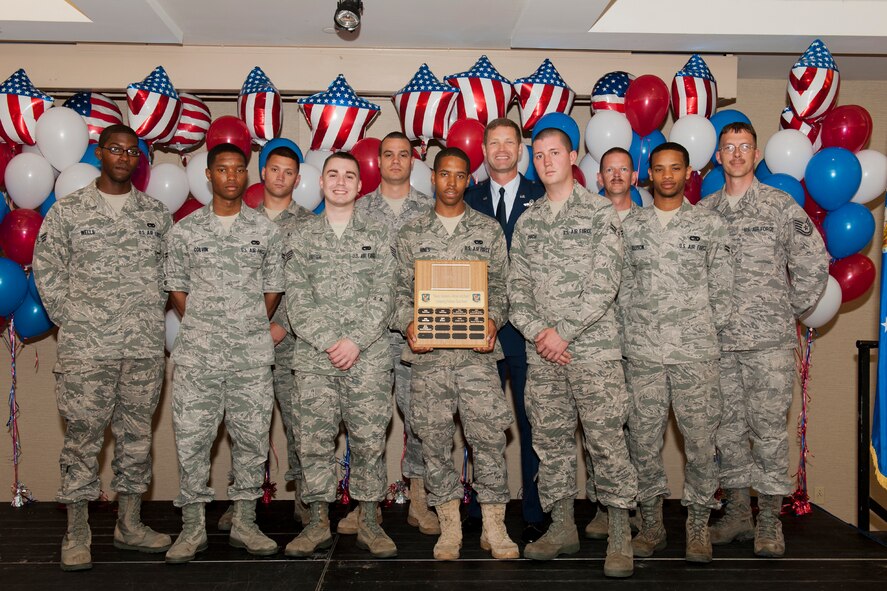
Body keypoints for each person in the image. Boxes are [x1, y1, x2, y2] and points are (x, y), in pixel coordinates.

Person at [33, 124, 173, 571]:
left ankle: (129, 524)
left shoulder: (156, 215)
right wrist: (74, 320)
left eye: (132, 151)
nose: (124, 156)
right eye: (115, 149)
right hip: (87, 351)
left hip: (142, 350)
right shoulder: (68, 212)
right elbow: (47, 271)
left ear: (139, 159)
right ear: (99, 153)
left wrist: (148, 315)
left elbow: (173, 277)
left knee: (136, 439)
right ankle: (76, 533)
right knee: (83, 440)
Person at [508, 127, 637, 578]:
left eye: (554, 153)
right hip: (543, 354)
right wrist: (541, 332)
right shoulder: (528, 221)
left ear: (573, 156)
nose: (546, 161)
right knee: (550, 443)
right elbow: (515, 290)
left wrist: (562, 332)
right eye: (538, 155)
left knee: (607, 443)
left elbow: (605, 283)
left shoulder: (602, 213)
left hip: (593, 352)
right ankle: (562, 527)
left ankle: (620, 535)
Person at [699, 122, 829, 557]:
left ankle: (770, 520)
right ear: (718, 156)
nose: (736, 154)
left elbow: (813, 260)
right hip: (719, 345)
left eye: (745, 147)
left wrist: (789, 309)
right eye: (728, 147)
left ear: (756, 155)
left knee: (769, 432)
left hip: (768, 344)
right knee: (728, 431)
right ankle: (738, 513)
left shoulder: (778, 205)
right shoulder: (705, 210)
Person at [393, 147, 517, 561]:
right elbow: (393, 293)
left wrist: (493, 319)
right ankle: (449, 527)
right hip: (428, 359)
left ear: (469, 180)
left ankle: (494, 528)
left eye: (459, 176)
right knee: (434, 443)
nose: (450, 182)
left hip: (477, 359)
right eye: (443, 174)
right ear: (433, 177)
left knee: (488, 441)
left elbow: (502, 287)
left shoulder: (488, 230)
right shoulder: (410, 232)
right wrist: (408, 323)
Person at [163, 143, 284, 563]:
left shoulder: (266, 231)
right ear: (208, 176)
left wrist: (245, 322)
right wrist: (205, 322)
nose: (230, 177)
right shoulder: (184, 231)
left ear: (245, 176)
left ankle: (245, 523)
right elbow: (176, 287)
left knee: (251, 440)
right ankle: (193, 528)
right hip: (198, 356)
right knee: (193, 441)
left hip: (251, 356)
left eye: (237, 170)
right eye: (222, 169)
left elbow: (273, 289)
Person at [620, 142, 734, 564]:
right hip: (644, 356)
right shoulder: (631, 226)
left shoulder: (709, 224)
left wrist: (700, 331)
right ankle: (652, 526)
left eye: (676, 168)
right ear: (648, 175)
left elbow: (723, 289)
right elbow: (624, 288)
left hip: (695, 355)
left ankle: (698, 527)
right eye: (659, 169)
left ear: (688, 173)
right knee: (643, 444)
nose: (667, 176)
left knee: (701, 444)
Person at [283, 152, 398, 559]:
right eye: (333, 174)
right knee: (314, 442)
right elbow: (296, 300)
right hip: (316, 359)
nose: (340, 181)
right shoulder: (300, 236)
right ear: (321, 183)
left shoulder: (380, 235)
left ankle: (368, 520)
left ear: (359, 185)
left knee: (369, 440)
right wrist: (332, 341)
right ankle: (317, 521)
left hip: (367, 357)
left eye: (349, 175)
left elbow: (386, 295)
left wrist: (355, 341)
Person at [336, 132, 438, 537]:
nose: (396, 161)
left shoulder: (430, 210)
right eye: (388, 155)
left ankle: (418, 499)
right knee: (367, 422)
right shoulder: (358, 209)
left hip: (419, 333)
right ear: (377, 161)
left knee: (420, 420)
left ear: (413, 161)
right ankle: (367, 505)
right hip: (371, 336)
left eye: (403, 155)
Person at [216, 145, 313, 533]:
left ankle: (307, 500)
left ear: (297, 179)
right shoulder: (240, 221)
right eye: (274, 169)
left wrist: (281, 326)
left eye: (288, 172)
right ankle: (243, 503)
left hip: (293, 343)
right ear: (263, 173)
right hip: (244, 345)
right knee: (244, 426)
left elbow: (310, 286)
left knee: (302, 424)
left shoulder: (309, 225)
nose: (280, 177)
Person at [464, 118, 545, 542]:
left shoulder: (542, 196)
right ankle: (484, 508)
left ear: (520, 149)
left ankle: (534, 510)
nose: (501, 149)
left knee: (533, 425)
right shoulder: (468, 197)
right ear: (483, 148)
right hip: (481, 331)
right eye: (493, 142)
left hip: (528, 333)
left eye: (508, 142)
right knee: (482, 425)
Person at [582, 146, 640, 541]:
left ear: (635, 177)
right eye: (609, 170)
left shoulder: (650, 222)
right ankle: (602, 506)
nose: (616, 175)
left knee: (634, 432)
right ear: (598, 178)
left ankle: (631, 509)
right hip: (596, 342)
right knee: (596, 430)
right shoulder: (586, 221)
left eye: (624, 169)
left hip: (639, 342)